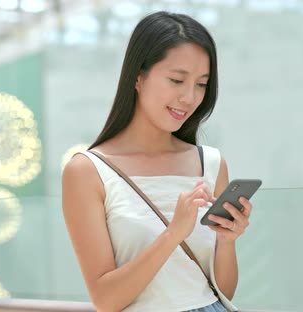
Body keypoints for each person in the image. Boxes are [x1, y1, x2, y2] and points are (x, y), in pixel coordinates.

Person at [61, 11, 253, 312]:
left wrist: (227, 241)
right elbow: (106, 300)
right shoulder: (88, 172)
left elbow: (221, 293)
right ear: (138, 76)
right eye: (177, 80)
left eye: (202, 84)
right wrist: (173, 234)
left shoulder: (212, 164)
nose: (189, 98)